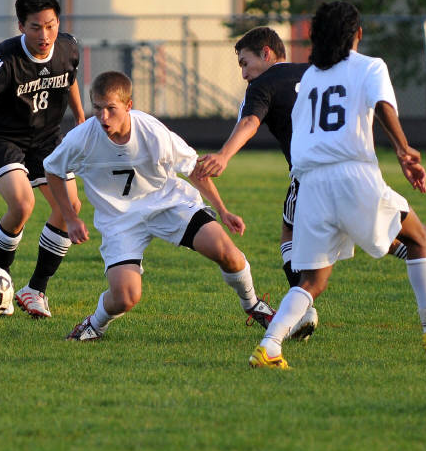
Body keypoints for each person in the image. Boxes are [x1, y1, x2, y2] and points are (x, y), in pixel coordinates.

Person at [197, 26, 426, 336]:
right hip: (358, 175)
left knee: (290, 236)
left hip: (313, 178)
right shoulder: (318, 72)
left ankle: (296, 321)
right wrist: (401, 149)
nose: (244, 73)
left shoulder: (262, 85)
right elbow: (373, 106)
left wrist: (224, 155)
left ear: (266, 53)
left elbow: (249, 121)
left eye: (245, 63)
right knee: (403, 239)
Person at [249, 1, 426, 368]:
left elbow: (300, 130)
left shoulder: (310, 77)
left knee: (313, 281)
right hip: (352, 176)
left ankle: (269, 346)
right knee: (417, 237)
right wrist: (403, 149)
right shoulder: (370, 66)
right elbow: (384, 105)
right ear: (357, 33)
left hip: (310, 184)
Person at [43, 71, 276, 341]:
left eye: (111, 109)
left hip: (168, 204)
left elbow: (193, 169)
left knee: (228, 253)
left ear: (128, 106)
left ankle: (253, 305)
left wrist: (222, 211)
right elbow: (52, 169)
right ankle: (94, 324)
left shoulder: (152, 131)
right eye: (97, 108)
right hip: (120, 220)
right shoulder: (82, 137)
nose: (103, 117)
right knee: (126, 296)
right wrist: (71, 218)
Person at [0, 0, 85, 318]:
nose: (45, 35)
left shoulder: (68, 47)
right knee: (23, 204)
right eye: (36, 27)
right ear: (21, 26)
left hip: (47, 137)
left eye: (50, 25)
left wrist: (81, 119)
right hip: (0, 137)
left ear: (59, 23)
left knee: (69, 207)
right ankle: (1, 283)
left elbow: (68, 79)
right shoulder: (5, 60)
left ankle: (35, 290)